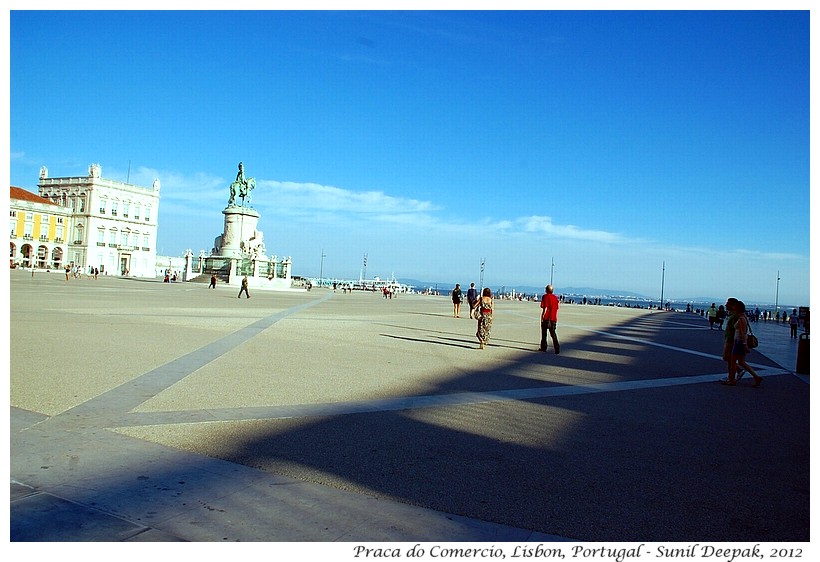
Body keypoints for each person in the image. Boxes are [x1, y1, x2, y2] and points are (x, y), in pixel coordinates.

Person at [722, 300, 763, 387]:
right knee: (741, 362)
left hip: (739, 342)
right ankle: (756, 377)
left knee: (732, 362)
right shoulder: (744, 317)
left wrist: (745, 345)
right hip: (740, 342)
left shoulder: (741, 319)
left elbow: (743, 333)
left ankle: (731, 380)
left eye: (734, 307)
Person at [539, 284, 560, 354]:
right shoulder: (555, 298)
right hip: (553, 318)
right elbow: (556, 308)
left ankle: (543, 347)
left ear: (547, 290)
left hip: (546, 318)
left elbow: (545, 308)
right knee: (553, 334)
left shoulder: (545, 297)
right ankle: (557, 348)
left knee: (544, 334)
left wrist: (542, 317)